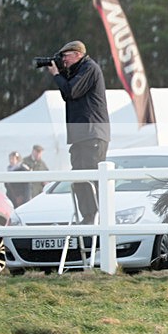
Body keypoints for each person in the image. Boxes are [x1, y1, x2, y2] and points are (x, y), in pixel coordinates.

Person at [46, 40, 110, 225]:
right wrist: (62, 73)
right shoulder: (79, 71)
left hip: (92, 134)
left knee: (91, 176)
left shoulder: (89, 68)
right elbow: (69, 93)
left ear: (78, 54)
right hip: (82, 135)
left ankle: (99, 218)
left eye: (66, 56)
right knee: (79, 178)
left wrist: (57, 75)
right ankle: (88, 217)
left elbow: (71, 90)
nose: (63, 59)